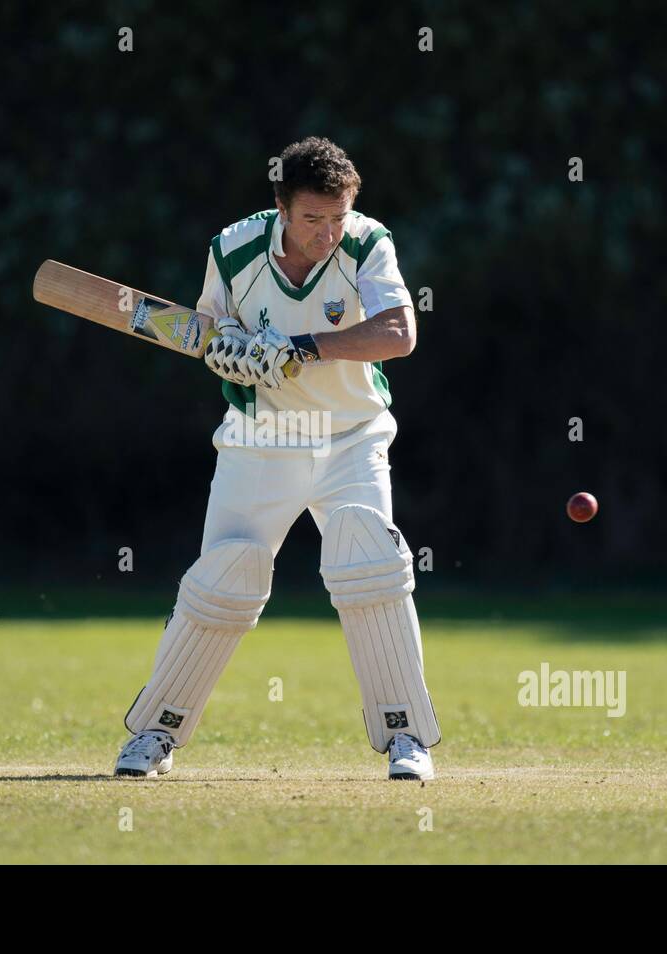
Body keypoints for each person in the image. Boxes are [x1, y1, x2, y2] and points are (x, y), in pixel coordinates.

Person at [114, 137, 440, 781]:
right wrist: (230, 354)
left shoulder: (368, 244)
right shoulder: (232, 249)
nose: (326, 234)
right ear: (281, 208)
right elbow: (206, 335)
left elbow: (399, 334)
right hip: (262, 438)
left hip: (351, 435)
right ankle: (155, 735)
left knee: (371, 562)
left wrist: (300, 347)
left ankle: (407, 738)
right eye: (313, 219)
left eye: (337, 217)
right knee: (221, 582)